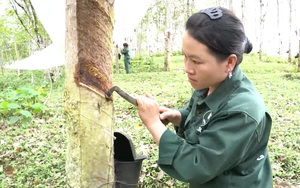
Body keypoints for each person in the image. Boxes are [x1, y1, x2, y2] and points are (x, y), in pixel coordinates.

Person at [136, 7, 273, 188]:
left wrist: (153, 124)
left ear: (229, 62)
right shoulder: (210, 83)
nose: (187, 67)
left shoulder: (243, 111)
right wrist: (179, 117)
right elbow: (203, 117)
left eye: (196, 61)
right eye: (185, 56)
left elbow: (197, 165)